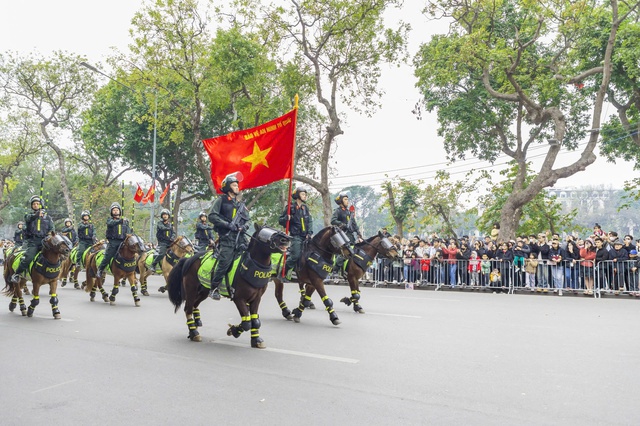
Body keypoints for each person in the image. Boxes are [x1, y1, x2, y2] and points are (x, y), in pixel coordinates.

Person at [208, 172, 250, 300]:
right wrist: (227, 225)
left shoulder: (240, 205)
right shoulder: (220, 200)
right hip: (227, 237)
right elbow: (212, 216)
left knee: (250, 257)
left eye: (237, 185)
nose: (237, 187)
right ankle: (214, 287)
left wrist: (244, 227)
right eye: (234, 185)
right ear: (227, 187)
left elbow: (247, 220)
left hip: (240, 236)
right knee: (225, 262)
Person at [11, 195, 55, 283]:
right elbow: (29, 219)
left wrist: (49, 235)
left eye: (37, 204)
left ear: (41, 205)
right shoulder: (28, 216)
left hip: (45, 241)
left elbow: (52, 229)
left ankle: (56, 275)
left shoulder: (48, 218)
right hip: (33, 242)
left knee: (56, 254)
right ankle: (17, 274)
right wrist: (36, 215)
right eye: (34, 204)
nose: (35, 205)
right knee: (28, 257)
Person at [278, 187, 313, 280]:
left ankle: (302, 274)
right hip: (296, 236)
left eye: (305, 194)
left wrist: (310, 232)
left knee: (310, 255)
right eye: (303, 194)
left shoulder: (305, 208)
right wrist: (287, 218)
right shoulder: (290, 207)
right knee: (295, 255)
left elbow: (310, 221)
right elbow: (280, 220)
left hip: (305, 236)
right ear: (297, 195)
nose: (305, 196)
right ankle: (283, 273)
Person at [330, 192, 362, 277]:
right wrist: (342, 224)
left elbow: (354, 223)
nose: (347, 201)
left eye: (347, 199)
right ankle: (335, 270)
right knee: (344, 253)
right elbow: (333, 220)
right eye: (345, 199)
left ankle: (345, 271)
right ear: (341, 201)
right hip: (342, 234)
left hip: (350, 235)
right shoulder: (338, 211)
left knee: (352, 254)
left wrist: (358, 232)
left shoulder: (349, 212)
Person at [96, 202, 130, 279]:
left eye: (117, 210)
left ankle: (131, 270)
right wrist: (120, 221)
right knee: (108, 256)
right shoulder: (110, 220)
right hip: (113, 242)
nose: (115, 211)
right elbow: (111, 223)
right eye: (114, 210)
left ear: (120, 211)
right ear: (111, 212)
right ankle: (100, 269)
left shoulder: (124, 221)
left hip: (123, 242)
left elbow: (128, 231)